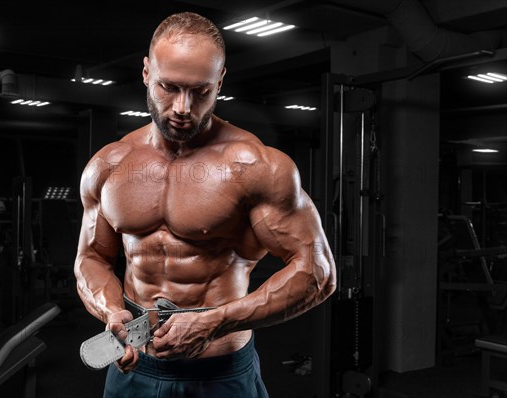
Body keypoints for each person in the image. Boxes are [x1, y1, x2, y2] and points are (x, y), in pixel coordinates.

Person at [74, 11, 336, 398]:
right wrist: (111, 310)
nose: (183, 107)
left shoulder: (256, 166)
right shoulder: (109, 165)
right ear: (146, 72)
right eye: (169, 87)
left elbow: (318, 273)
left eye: (200, 92)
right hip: (133, 366)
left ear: (220, 81)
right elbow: (91, 258)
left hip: (220, 372)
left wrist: (214, 322)